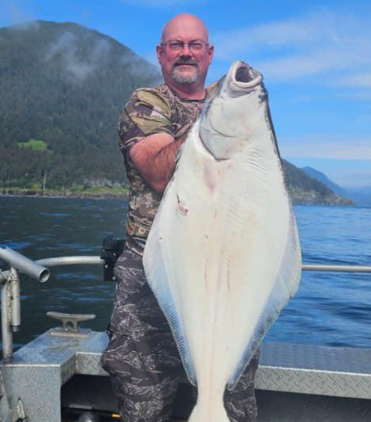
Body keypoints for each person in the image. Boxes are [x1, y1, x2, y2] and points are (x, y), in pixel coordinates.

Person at [102, 13, 259, 422]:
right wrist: (216, 124)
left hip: (228, 275)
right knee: (144, 406)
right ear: (160, 54)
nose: (185, 52)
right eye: (176, 44)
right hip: (153, 277)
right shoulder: (147, 104)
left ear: (209, 54)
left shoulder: (234, 113)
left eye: (194, 45)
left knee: (233, 403)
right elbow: (157, 171)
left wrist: (232, 113)